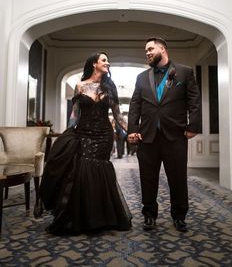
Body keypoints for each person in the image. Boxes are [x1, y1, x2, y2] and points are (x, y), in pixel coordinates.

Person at [40, 52, 132, 235]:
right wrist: (68, 133)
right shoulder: (80, 85)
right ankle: (82, 216)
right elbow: (75, 114)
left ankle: (100, 216)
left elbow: (118, 114)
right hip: (82, 133)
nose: (108, 63)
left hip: (104, 135)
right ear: (94, 64)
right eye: (104, 60)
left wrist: (131, 130)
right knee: (81, 169)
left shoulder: (110, 86)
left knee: (97, 169)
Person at [128, 37, 201, 233]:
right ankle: (149, 215)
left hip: (175, 135)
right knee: (147, 178)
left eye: (151, 49)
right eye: (146, 51)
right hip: (147, 136)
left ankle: (179, 216)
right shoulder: (142, 77)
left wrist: (193, 126)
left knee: (177, 178)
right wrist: (133, 129)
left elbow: (194, 102)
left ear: (163, 48)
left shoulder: (185, 72)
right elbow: (135, 105)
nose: (148, 53)